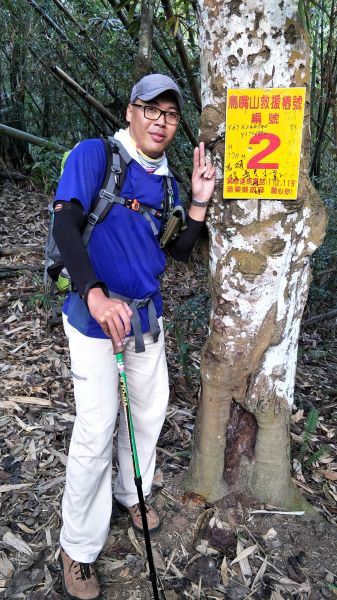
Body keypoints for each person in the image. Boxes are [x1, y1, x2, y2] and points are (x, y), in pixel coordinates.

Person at [52, 73, 215, 600]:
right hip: (93, 318)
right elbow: (65, 225)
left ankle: (131, 492)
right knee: (97, 429)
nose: (161, 123)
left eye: (170, 115)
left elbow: (179, 250)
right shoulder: (96, 155)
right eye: (152, 110)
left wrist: (199, 201)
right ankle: (76, 548)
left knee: (148, 413)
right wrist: (96, 295)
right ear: (131, 111)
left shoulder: (166, 180)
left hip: (147, 318)